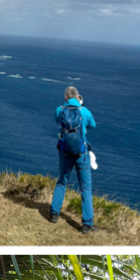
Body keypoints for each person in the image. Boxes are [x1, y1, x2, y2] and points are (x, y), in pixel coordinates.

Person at [50, 85, 98, 232]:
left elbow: (57, 120)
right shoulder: (84, 111)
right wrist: (82, 107)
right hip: (81, 155)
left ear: (65, 98)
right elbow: (93, 125)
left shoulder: (60, 110)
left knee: (62, 182)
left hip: (65, 154)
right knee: (85, 187)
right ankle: (87, 224)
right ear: (78, 97)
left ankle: (53, 214)